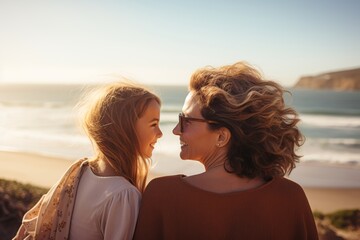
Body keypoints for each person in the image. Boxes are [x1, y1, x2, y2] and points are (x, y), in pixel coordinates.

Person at [133, 62, 318, 240]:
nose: (175, 130)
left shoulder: (163, 195)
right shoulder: (290, 198)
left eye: (186, 120)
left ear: (222, 136)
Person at [13, 81, 163, 240]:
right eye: (154, 124)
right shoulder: (123, 194)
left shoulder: (80, 171)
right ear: (125, 128)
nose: (160, 133)